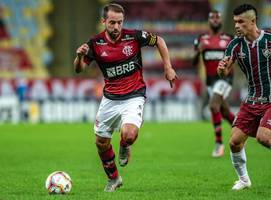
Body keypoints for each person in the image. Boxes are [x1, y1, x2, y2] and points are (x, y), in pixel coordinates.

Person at [73, 3, 177, 192]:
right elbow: (79, 69)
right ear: (104, 21)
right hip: (110, 99)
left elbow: (159, 41)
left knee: (129, 134)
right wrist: (79, 57)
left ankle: (124, 144)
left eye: (120, 22)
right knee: (101, 142)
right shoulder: (95, 44)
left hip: (134, 95)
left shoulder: (134, 36)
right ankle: (114, 179)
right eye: (112, 22)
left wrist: (168, 67)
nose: (116, 27)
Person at [218, 4, 271, 190]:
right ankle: (244, 180)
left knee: (263, 137)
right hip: (253, 99)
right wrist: (222, 69)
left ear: (253, 21)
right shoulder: (235, 45)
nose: (237, 26)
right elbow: (224, 71)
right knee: (234, 142)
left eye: (241, 22)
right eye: (235, 22)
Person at [193, 10, 235, 157]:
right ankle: (242, 129)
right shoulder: (201, 39)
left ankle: (219, 144)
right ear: (209, 21)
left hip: (225, 79)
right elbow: (193, 62)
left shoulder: (229, 38)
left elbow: (236, 59)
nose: (215, 20)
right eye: (212, 17)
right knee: (223, 111)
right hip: (210, 81)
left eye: (218, 17)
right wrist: (198, 52)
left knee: (212, 105)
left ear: (221, 20)